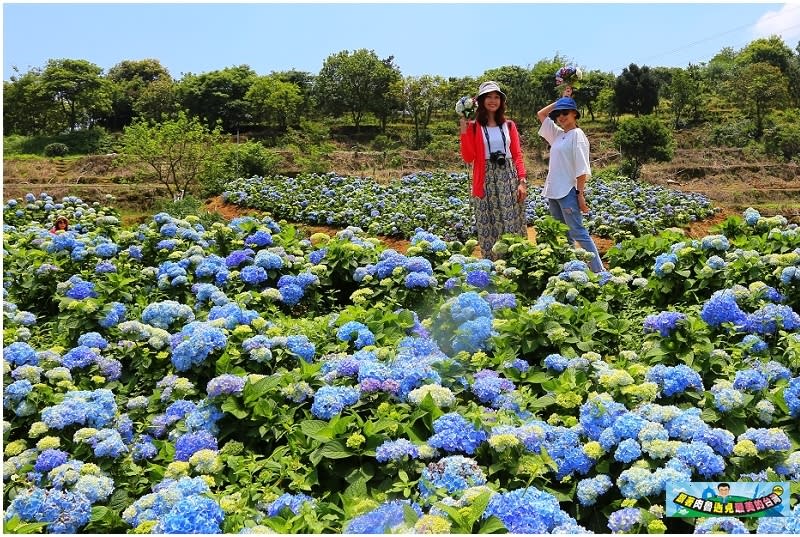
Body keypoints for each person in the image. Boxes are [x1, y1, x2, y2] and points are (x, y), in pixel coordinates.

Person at [536, 87, 604, 272]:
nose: (561, 117)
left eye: (565, 113)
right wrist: (561, 100)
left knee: (578, 233)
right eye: (558, 114)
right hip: (553, 191)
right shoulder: (558, 135)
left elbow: (582, 167)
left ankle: (600, 273)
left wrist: (580, 194)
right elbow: (541, 114)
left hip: (567, 190)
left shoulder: (578, 136)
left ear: (575, 114)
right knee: (563, 234)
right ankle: (571, 271)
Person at [459, 80, 528, 260]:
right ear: (481, 101)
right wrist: (463, 127)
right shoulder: (473, 126)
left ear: (501, 101)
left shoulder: (509, 125)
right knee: (489, 223)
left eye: (496, 97)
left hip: (508, 176)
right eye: (488, 97)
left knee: (512, 221)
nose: (493, 100)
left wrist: (522, 181)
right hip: (485, 178)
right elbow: (468, 157)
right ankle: (492, 267)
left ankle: (516, 263)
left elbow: (517, 154)